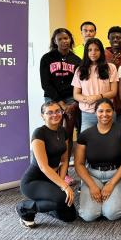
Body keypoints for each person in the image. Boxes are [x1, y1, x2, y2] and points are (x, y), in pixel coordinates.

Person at [16, 101, 77, 228]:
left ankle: (48, 202)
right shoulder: (39, 133)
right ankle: (24, 208)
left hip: (52, 178)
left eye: (58, 111)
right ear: (42, 116)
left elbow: (65, 160)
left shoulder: (63, 131)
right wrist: (64, 186)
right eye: (50, 112)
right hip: (34, 181)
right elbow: (43, 167)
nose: (55, 115)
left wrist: (60, 181)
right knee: (61, 198)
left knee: (70, 216)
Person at [74, 98, 121, 221]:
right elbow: (79, 164)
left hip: (118, 174)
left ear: (113, 112)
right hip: (93, 175)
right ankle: (104, 198)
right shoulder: (85, 135)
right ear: (95, 112)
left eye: (108, 111)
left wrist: (111, 184)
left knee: (112, 214)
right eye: (101, 111)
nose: (104, 114)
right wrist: (92, 186)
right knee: (88, 216)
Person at [40, 28, 81, 185]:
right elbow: (45, 83)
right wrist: (60, 103)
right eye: (60, 39)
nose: (64, 41)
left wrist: (71, 103)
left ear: (70, 40)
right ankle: (50, 168)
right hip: (52, 97)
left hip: (70, 98)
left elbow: (78, 84)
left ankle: (64, 172)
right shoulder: (47, 58)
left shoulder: (76, 60)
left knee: (67, 134)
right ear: (54, 41)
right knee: (51, 132)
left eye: (66, 38)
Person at [72, 38, 118, 131]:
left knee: (109, 142)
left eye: (96, 50)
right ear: (86, 52)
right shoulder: (80, 70)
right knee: (86, 143)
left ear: (101, 51)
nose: (93, 53)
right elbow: (76, 94)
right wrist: (87, 99)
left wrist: (97, 97)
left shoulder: (110, 67)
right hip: (87, 114)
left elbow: (114, 92)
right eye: (90, 50)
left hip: (107, 113)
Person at [104, 26, 121, 119]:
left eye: (119, 38)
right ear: (108, 39)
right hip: (108, 97)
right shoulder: (102, 55)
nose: (115, 40)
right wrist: (110, 66)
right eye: (112, 38)